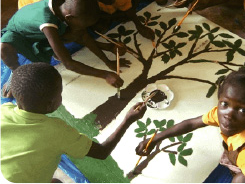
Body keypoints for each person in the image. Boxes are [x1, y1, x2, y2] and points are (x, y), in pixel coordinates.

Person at [1, 62, 147, 183]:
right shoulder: (55, 130)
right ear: (50, 104)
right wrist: (128, 120)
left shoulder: (4, 109)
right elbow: (102, 152)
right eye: (59, 93)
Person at [135, 67, 245, 183]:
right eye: (224, 103)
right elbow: (191, 124)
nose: (228, 115)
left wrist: (240, 174)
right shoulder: (225, 114)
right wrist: (156, 138)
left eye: (242, 110)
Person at [1, 0, 130, 98]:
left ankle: (55, 49)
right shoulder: (48, 23)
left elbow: (84, 37)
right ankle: (15, 72)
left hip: (41, 31)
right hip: (19, 34)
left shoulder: (65, 4)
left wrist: (108, 62)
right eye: (84, 25)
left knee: (77, 33)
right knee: (4, 48)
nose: (84, 29)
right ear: (69, 18)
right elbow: (69, 64)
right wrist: (105, 74)